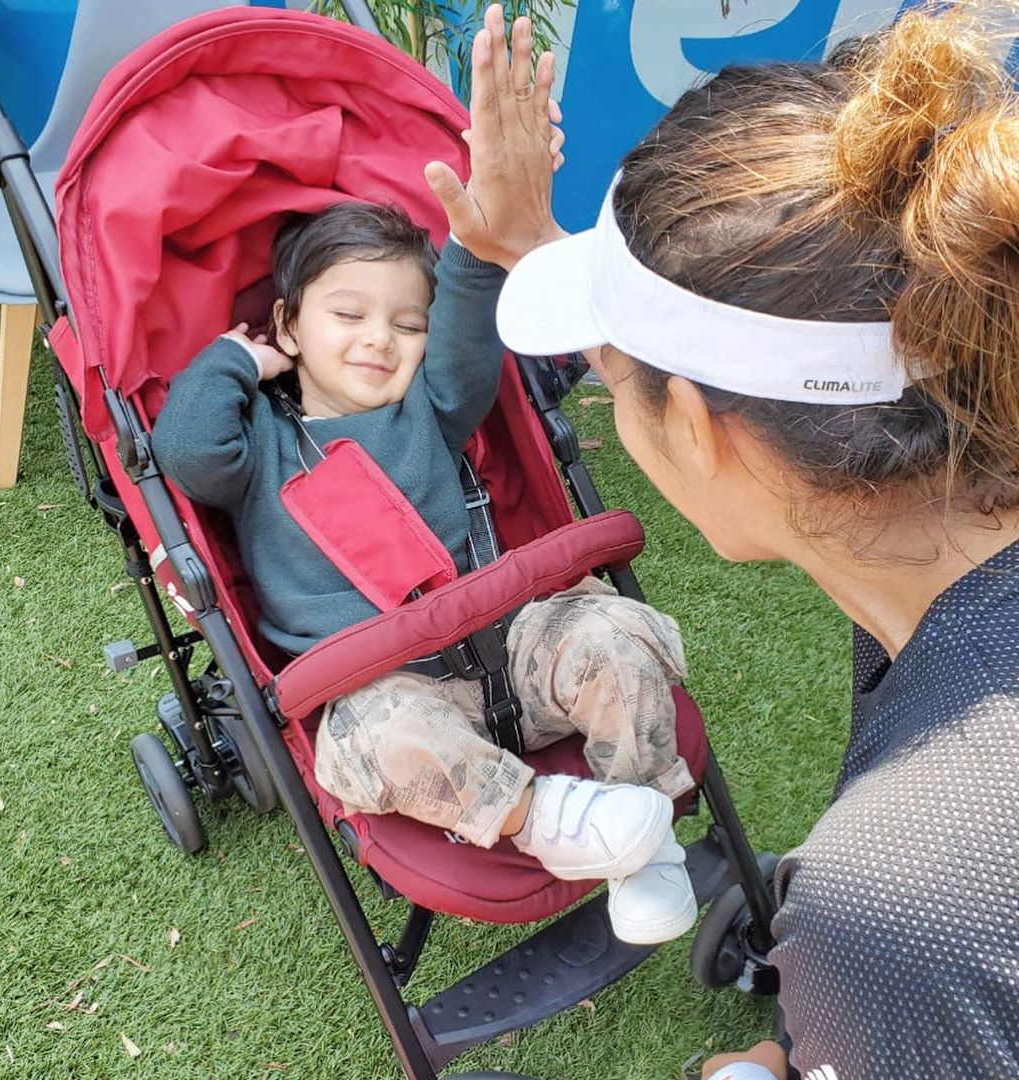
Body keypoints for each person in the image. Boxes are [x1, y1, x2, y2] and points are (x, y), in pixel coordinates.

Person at [433, 1, 1019, 1077]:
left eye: (612, 383)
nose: (610, 397)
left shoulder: (904, 905)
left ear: (697, 430)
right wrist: (533, 252)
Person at [151, 19, 701, 948]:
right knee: (370, 741)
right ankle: (551, 820)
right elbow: (189, 456)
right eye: (349, 315)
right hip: (388, 680)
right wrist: (229, 361)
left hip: (512, 640)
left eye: (405, 323)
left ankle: (644, 834)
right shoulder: (255, 448)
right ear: (288, 325)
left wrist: (473, 247)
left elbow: (463, 324)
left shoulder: (432, 406)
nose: (380, 338)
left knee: (611, 630)